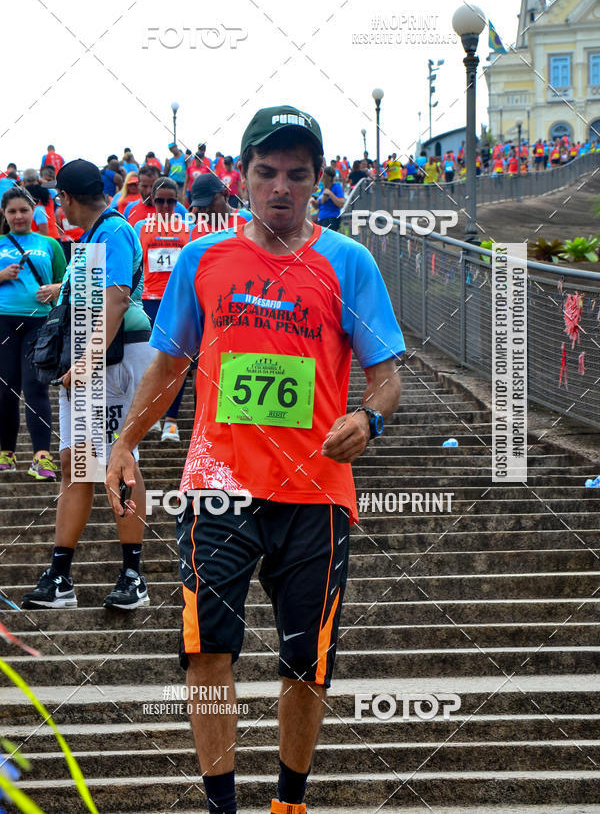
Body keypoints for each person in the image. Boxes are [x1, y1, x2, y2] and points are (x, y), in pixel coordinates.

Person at [105, 103, 403, 814]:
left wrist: (369, 417)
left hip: (316, 494)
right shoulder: (208, 260)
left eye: (296, 176)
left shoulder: (347, 261)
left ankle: (290, 803)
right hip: (218, 485)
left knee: (306, 662)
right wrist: (123, 443)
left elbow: (386, 373)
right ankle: (222, 806)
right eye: (265, 172)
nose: (279, 188)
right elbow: (168, 366)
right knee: (208, 650)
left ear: (318, 182)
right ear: (241, 178)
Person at [22, 159, 155, 611]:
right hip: (87, 356)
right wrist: (62, 288)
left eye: (58, 199)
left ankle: (133, 575)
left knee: (119, 460)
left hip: (114, 355)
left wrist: (87, 360)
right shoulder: (92, 238)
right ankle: (61, 576)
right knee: (74, 462)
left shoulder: (113, 230)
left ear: (67, 199)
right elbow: (95, 292)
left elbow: (118, 299)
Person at [0, 186, 66, 479]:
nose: (18, 216)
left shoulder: (49, 244)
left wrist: (54, 288)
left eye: (23, 210)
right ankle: (6, 453)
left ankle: (42, 457)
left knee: (36, 388)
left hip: (39, 322)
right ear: (4, 213)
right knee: (5, 390)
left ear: (33, 211)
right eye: (12, 211)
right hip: (3, 321)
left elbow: (67, 280)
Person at [134, 177, 190, 442]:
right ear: (152, 201)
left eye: (171, 201)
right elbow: (137, 266)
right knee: (151, 362)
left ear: (177, 202)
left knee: (176, 360)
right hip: (149, 300)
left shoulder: (186, 229)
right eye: (160, 201)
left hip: (176, 300)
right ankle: (153, 416)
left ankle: (172, 420)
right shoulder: (141, 227)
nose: (166, 206)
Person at [187, 172, 250, 242]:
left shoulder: (247, 220)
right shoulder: (197, 233)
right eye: (200, 207)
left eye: (210, 203)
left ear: (225, 194)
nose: (206, 210)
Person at [311, 164, 344, 231]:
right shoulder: (322, 189)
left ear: (326, 176)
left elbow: (341, 203)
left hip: (331, 219)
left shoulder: (336, 187)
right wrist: (313, 201)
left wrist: (330, 194)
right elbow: (317, 206)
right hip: (321, 220)